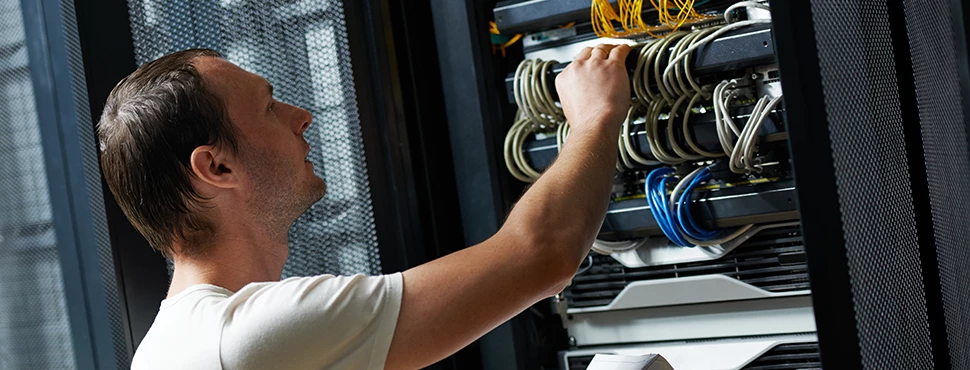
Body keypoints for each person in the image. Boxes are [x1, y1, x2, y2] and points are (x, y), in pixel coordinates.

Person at [98, 43, 631, 369]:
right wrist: (594, 118)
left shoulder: (169, 351)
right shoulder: (244, 337)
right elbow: (542, 255)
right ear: (217, 168)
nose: (301, 114)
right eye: (267, 106)